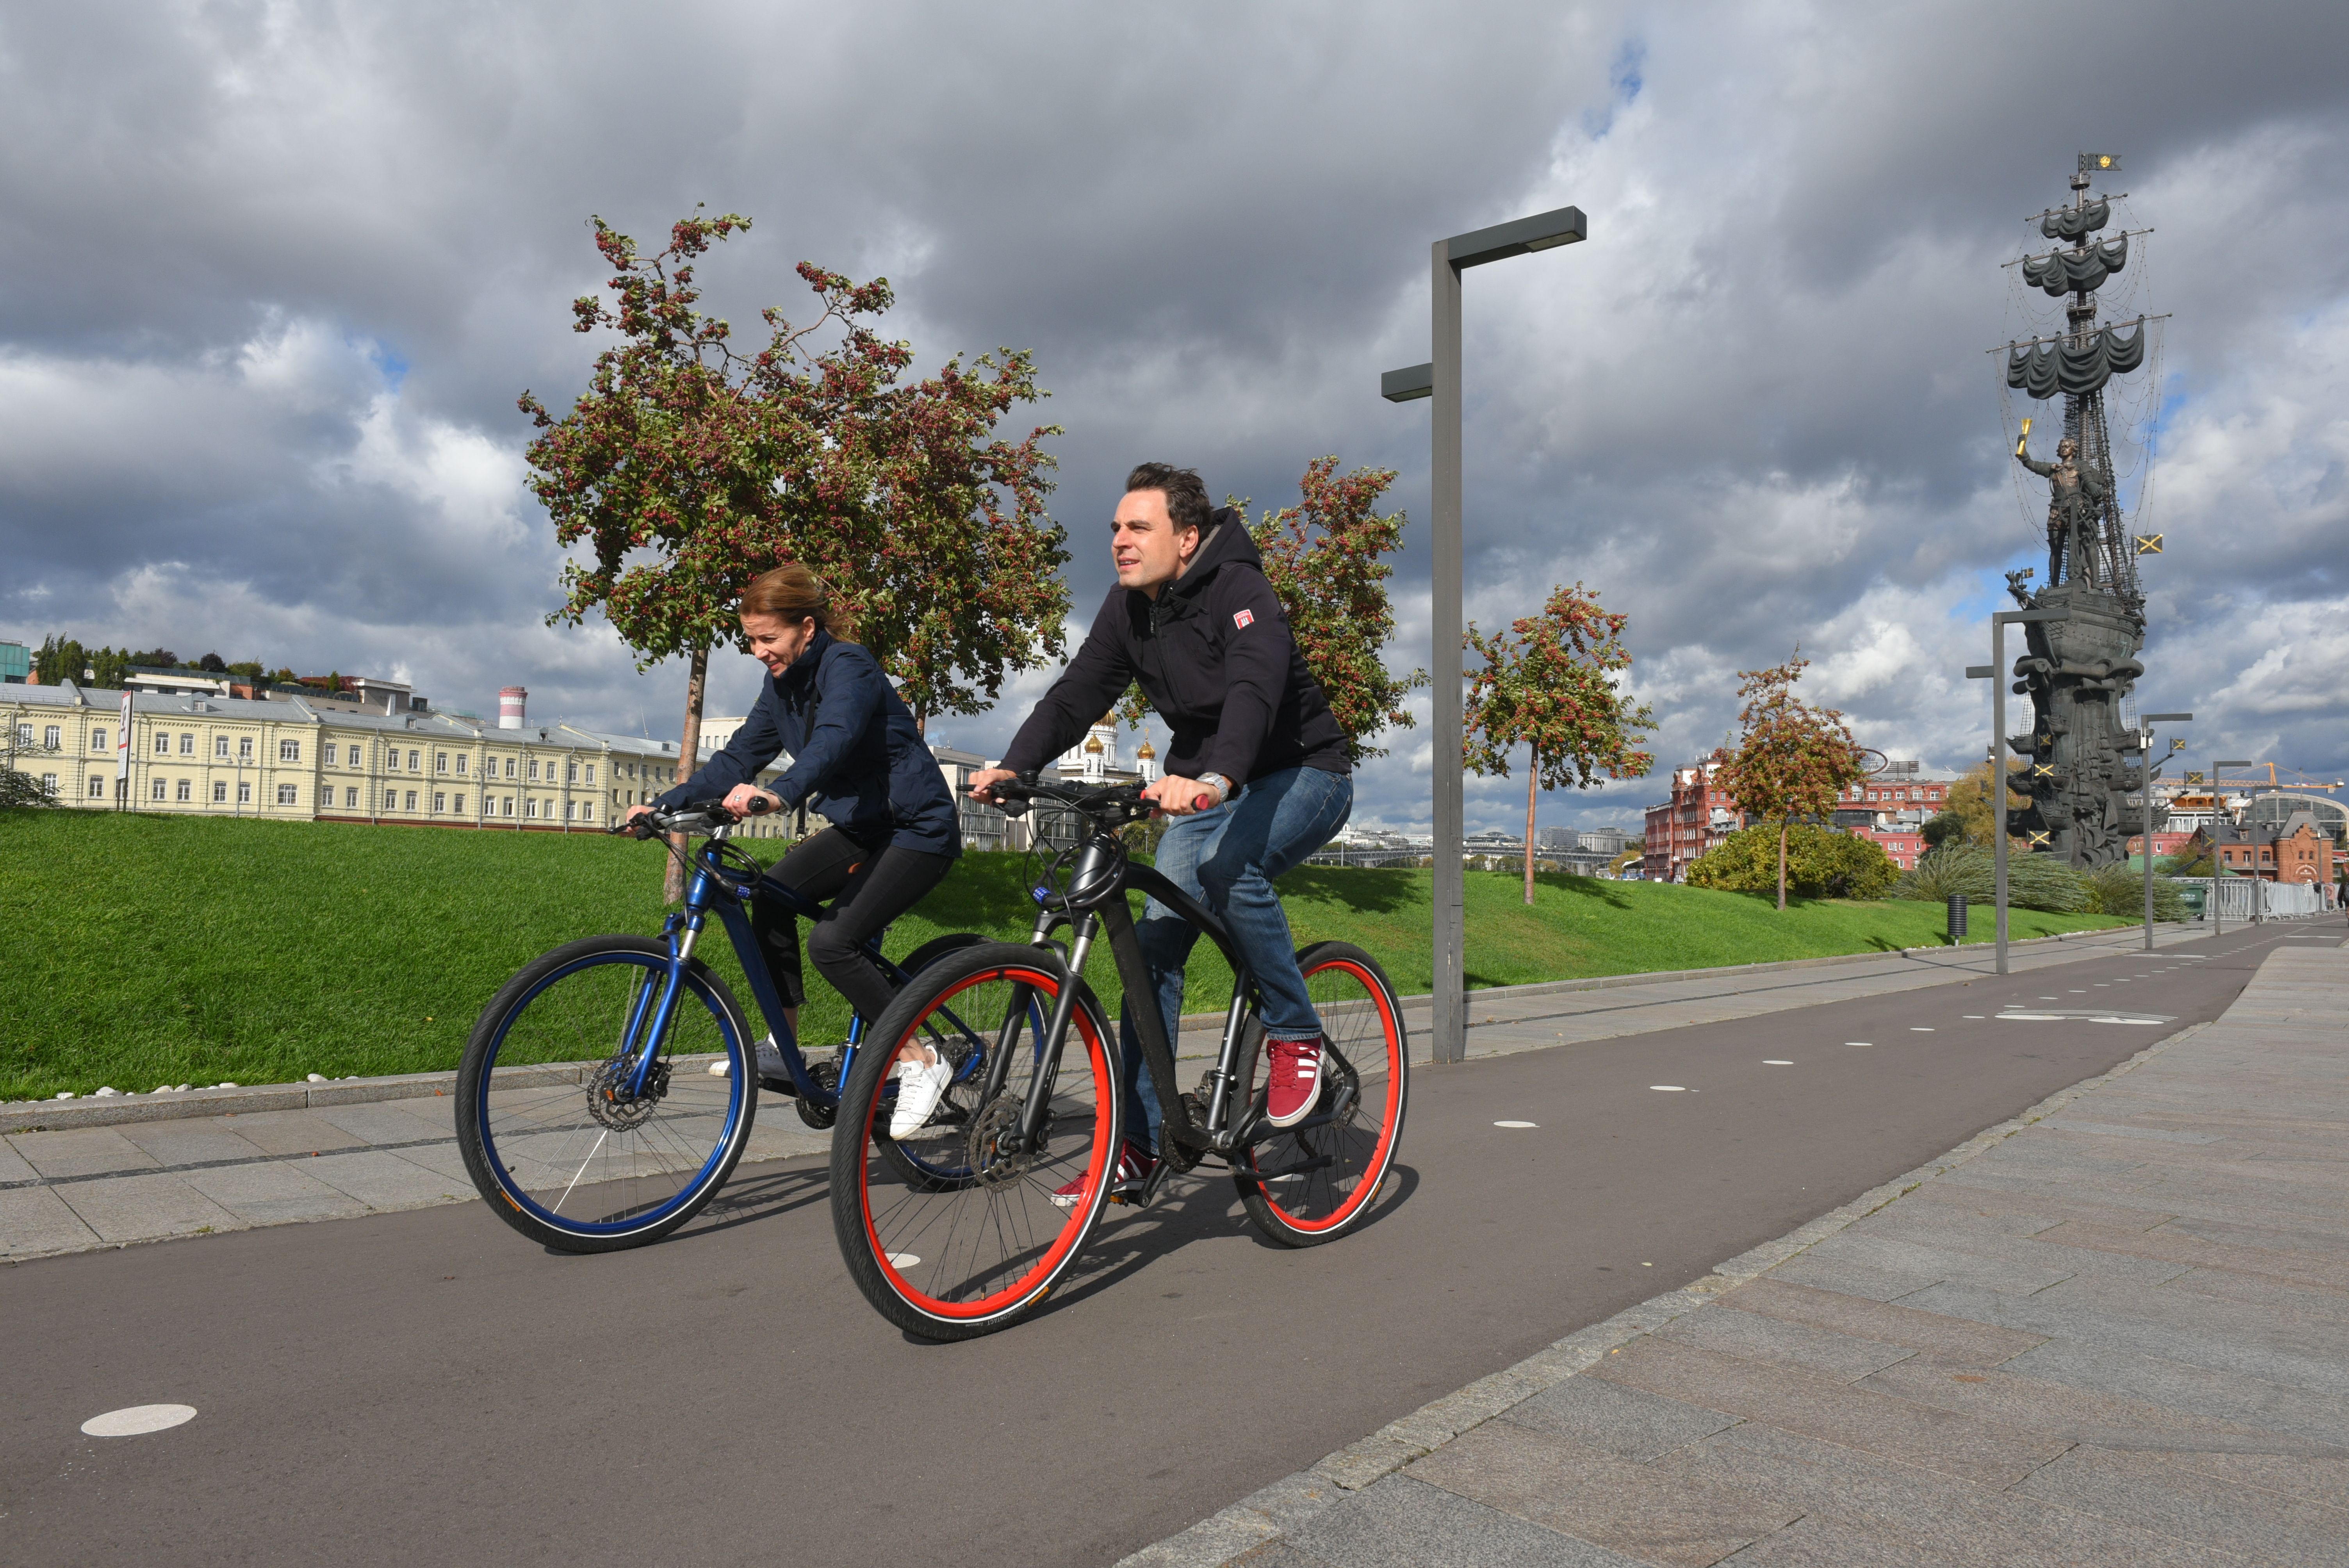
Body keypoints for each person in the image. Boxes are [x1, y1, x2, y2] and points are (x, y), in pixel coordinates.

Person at [970, 463, 1353, 1201]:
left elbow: (1253, 686)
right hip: (1205, 780)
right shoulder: (1127, 608)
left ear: (1187, 537)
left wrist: (1216, 778)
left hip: (1303, 772)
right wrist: (1014, 766)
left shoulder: (1241, 588)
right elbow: (1077, 693)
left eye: (1137, 527)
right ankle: (1142, 1147)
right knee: (1151, 956)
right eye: (1114, 527)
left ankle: (1297, 1035)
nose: (1119, 539)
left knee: (1228, 870)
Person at [629, 563, 960, 1137]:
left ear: (807, 628)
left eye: (768, 638)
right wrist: (662, 805)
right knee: (771, 896)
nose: (758, 651)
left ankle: (922, 1061)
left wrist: (780, 794)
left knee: (834, 943)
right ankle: (783, 1047)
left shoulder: (848, 666)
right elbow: (735, 761)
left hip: (916, 829)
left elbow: (834, 738)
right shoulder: (778, 687)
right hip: (862, 828)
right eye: (750, 640)